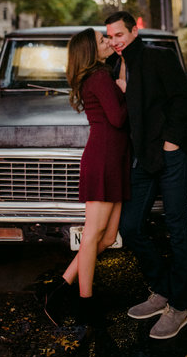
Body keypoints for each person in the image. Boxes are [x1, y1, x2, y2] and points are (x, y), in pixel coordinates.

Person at [105, 11, 187, 340]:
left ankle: (180, 306)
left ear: (133, 31)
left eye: (119, 34)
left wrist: (171, 143)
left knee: (176, 228)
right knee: (130, 226)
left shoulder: (159, 56)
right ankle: (162, 290)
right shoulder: (117, 65)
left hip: (171, 155)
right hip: (145, 158)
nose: (115, 41)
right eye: (109, 36)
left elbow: (183, 100)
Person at [44, 27, 130, 326]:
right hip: (104, 160)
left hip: (114, 159)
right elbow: (118, 119)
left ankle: (59, 288)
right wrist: (125, 91)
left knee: (107, 237)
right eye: (102, 40)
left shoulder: (99, 76)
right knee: (93, 235)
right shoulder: (100, 77)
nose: (108, 42)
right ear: (91, 51)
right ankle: (85, 304)